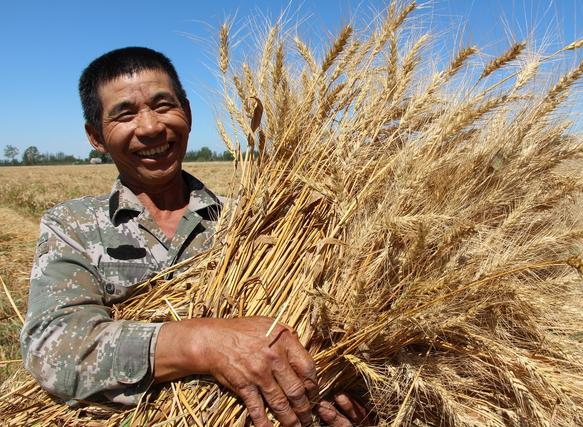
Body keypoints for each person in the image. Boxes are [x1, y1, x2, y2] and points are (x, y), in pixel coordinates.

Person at [20, 47, 369, 426]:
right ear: (96, 136)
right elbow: (53, 347)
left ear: (186, 111)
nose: (151, 126)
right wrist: (203, 343)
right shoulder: (72, 224)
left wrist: (333, 381)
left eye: (163, 105)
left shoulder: (258, 221)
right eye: (125, 113)